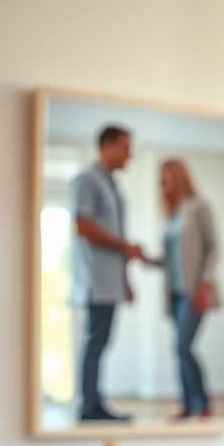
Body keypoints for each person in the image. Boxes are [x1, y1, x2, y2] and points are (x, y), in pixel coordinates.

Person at [70, 125, 142, 422]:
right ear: (107, 146)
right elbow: (83, 226)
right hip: (96, 280)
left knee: (101, 343)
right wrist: (123, 245)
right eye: (126, 147)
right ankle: (89, 407)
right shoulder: (87, 181)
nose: (130, 154)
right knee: (95, 342)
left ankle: (94, 403)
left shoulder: (112, 186)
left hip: (110, 281)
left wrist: (124, 279)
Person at [152, 158, 220, 420]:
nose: (161, 183)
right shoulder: (171, 215)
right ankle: (188, 404)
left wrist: (204, 284)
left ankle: (202, 402)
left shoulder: (199, 207)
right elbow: (169, 259)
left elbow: (214, 247)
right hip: (175, 294)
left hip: (194, 292)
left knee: (183, 347)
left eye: (165, 177)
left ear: (178, 177)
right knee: (178, 348)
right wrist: (146, 258)